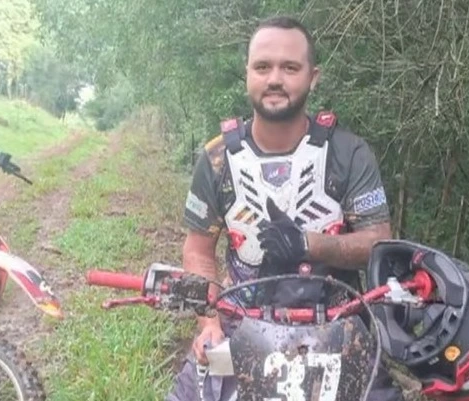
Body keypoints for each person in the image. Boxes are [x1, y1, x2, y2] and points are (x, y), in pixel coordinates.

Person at [166, 15, 405, 401]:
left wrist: (308, 244)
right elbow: (198, 250)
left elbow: (378, 242)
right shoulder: (216, 159)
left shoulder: (348, 153)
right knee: (195, 390)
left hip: (340, 331)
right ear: (247, 73)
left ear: (313, 76)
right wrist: (209, 323)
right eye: (263, 67)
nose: (274, 79)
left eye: (290, 67)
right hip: (239, 327)